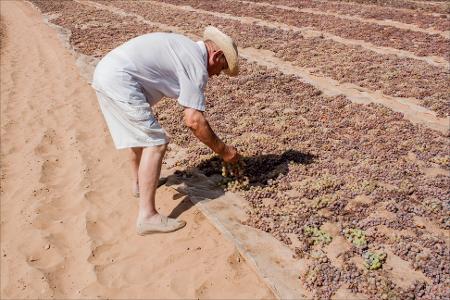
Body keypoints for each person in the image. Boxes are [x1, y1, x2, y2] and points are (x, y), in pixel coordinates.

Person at [92, 26, 240, 235]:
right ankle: (148, 216)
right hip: (120, 80)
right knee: (156, 142)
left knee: (139, 135)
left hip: (106, 72)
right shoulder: (196, 65)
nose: (217, 75)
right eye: (222, 68)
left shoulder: (185, 47)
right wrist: (225, 151)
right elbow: (194, 121)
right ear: (216, 56)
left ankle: (137, 184)